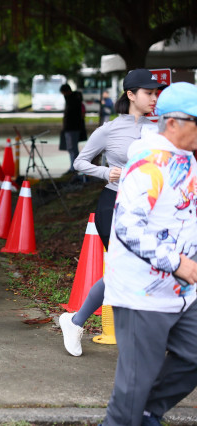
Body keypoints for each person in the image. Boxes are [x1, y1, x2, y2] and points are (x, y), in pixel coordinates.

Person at [101, 82, 197, 425]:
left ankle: (146, 413)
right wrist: (176, 262)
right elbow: (128, 227)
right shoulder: (148, 164)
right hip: (142, 293)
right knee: (133, 388)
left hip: (182, 292)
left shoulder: (186, 158)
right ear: (173, 123)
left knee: (193, 356)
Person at [60, 69, 165, 357]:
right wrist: (107, 172)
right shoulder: (109, 129)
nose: (154, 98)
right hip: (114, 205)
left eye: (156, 93)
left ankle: (75, 321)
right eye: (148, 93)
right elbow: (80, 162)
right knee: (129, 269)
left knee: (135, 271)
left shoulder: (159, 127)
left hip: (148, 209)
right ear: (131, 95)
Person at [60, 83, 85, 173]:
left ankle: (74, 167)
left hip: (72, 127)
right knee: (72, 148)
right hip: (72, 127)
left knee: (72, 148)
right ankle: (73, 166)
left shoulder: (73, 100)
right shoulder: (75, 99)